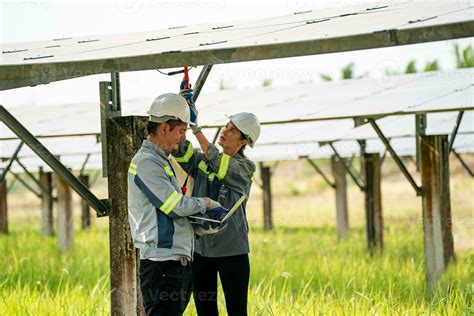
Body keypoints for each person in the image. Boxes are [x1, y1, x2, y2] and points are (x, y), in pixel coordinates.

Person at [127, 93, 228, 316]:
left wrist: (202, 227)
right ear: (164, 128)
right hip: (163, 267)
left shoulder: (161, 161)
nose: (183, 138)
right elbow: (175, 206)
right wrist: (207, 203)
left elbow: (170, 216)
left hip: (174, 265)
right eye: (181, 131)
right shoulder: (146, 163)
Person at [173, 80, 261, 316]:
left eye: (232, 129)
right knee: (205, 311)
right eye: (226, 125)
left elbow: (217, 162)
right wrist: (180, 114)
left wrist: (195, 127)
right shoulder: (203, 161)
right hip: (202, 250)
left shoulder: (245, 168)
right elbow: (180, 150)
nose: (225, 130)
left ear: (243, 140)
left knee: (236, 311)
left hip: (233, 251)